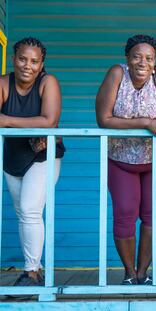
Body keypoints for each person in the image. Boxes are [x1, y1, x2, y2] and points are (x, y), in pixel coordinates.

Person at [95, 34, 156, 285]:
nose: (143, 62)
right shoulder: (116, 74)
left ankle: (143, 272)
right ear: (127, 58)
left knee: (153, 215)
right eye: (137, 57)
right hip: (120, 158)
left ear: (155, 61)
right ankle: (130, 273)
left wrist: (138, 124)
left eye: (149, 58)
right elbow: (104, 119)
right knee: (124, 213)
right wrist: (147, 123)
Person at [0, 37, 64, 287]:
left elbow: (48, 121)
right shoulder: (4, 83)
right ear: (13, 59)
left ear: (41, 64)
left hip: (43, 155)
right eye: (23, 59)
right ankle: (36, 267)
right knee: (23, 214)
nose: (28, 65)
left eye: (34, 61)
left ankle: (30, 273)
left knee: (29, 210)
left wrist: (6, 120)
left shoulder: (48, 82)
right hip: (13, 156)